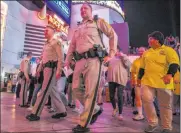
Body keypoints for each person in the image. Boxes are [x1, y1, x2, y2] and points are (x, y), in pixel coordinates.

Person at [64, 3, 118, 132]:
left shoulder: (98, 21)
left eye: (85, 8)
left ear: (91, 10)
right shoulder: (78, 28)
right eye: (81, 8)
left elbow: (112, 35)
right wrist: (67, 61)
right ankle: (95, 109)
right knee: (76, 88)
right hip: (79, 61)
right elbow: (72, 46)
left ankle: (83, 124)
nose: (82, 10)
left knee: (90, 92)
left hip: (94, 60)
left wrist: (111, 54)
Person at [138, 31, 179, 133]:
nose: (149, 41)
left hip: (163, 83)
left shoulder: (168, 50)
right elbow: (142, 68)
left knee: (165, 106)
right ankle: (153, 123)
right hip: (147, 82)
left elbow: (174, 63)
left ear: (157, 40)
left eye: (150, 39)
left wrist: (170, 74)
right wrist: (139, 78)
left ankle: (167, 127)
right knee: (146, 100)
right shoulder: (147, 52)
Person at [26, 24, 67, 121]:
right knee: (52, 90)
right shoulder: (46, 44)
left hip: (52, 69)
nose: (45, 32)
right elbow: (43, 59)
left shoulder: (56, 42)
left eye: (47, 30)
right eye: (44, 30)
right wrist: (39, 70)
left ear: (53, 32)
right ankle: (61, 111)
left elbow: (61, 58)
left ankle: (35, 113)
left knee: (44, 91)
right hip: (46, 69)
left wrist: (59, 70)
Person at [107, 48, 131, 120]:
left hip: (121, 79)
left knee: (119, 96)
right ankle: (115, 108)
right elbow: (105, 64)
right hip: (111, 79)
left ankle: (120, 114)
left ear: (118, 50)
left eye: (115, 50)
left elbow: (128, 65)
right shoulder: (111, 57)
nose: (114, 52)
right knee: (111, 96)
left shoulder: (124, 56)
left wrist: (122, 56)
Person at [130, 47, 145, 121]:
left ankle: (152, 114)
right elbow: (132, 72)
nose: (140, 52)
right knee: (138, 98)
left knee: (148, 99)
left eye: (142, 51)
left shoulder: (148, 60)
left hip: (147, 83)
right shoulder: (135, 61)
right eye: (139, 51)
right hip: (137, 83)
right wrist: (132, 81)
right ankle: (140, 114)